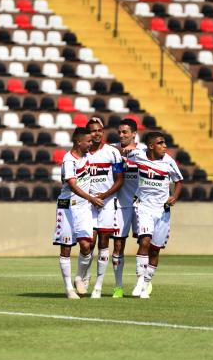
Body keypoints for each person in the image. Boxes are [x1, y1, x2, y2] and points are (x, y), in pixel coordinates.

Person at [129, 131, 182, 299]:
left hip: (162, 210)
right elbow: (122, 150)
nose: (164, 146)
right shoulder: (138, 155)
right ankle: (139, 281)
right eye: (160, 143)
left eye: (164, 143)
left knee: (155, 250)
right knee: (144, 240)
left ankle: (145, 285)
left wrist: (174, 196)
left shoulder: (169, 162)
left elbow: (178, 181)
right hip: (143, 207)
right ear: (151, 146)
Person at [53, 127, 104, 299]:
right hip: (67, 206)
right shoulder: (69, 161)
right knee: (66, 247)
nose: (91, 144)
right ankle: (68, 289)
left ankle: (78, 277)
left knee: (87, 245)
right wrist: (91, 198)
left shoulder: (87, 156)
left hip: (83, 208)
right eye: (88, 141)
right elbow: (73, 185)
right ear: (78, 142)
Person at [83, 118, 124, 298]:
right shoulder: (83, 154)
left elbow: (119, 180)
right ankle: (84, 276)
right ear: (88, 134)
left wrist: (104, 196)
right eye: (93, 131)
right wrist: (90, 198)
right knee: (87, 244)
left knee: (103, 243)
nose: (97, 133)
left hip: (107, 203)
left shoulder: (112, 153)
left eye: (100, 130)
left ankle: (98, 286)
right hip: (88, 203)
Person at [109, 118, 146, 298]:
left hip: (141, 204)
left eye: (125, 132)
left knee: (144, 244)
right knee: (117, 245)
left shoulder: (145, 150)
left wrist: (132, 153)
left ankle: (143, 282)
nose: (121, 135)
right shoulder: (112, 149)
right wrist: (119, 150)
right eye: (119, 132)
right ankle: (118, 286)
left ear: (134, 134)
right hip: (120, 204)